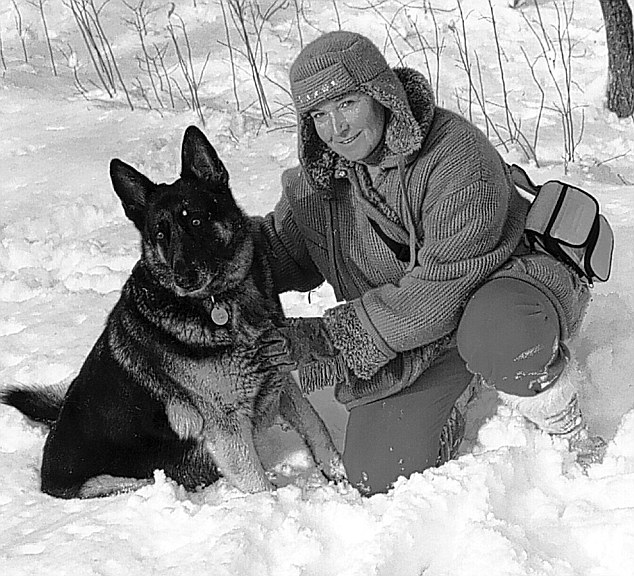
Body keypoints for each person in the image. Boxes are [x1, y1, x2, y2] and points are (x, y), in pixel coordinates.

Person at [257, 31, 603, 495]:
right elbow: (274, 253)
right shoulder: (317, 189)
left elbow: (442, 287)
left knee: (499, 334)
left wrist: (330, 337)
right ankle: (461, 390)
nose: (335, 129)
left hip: (504, 290)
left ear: (378, 93)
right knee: (376, 473)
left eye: (346, 104)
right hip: (417, 338)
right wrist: (207, 248)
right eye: (318, 114)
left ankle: (566, 425)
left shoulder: (455, 153)